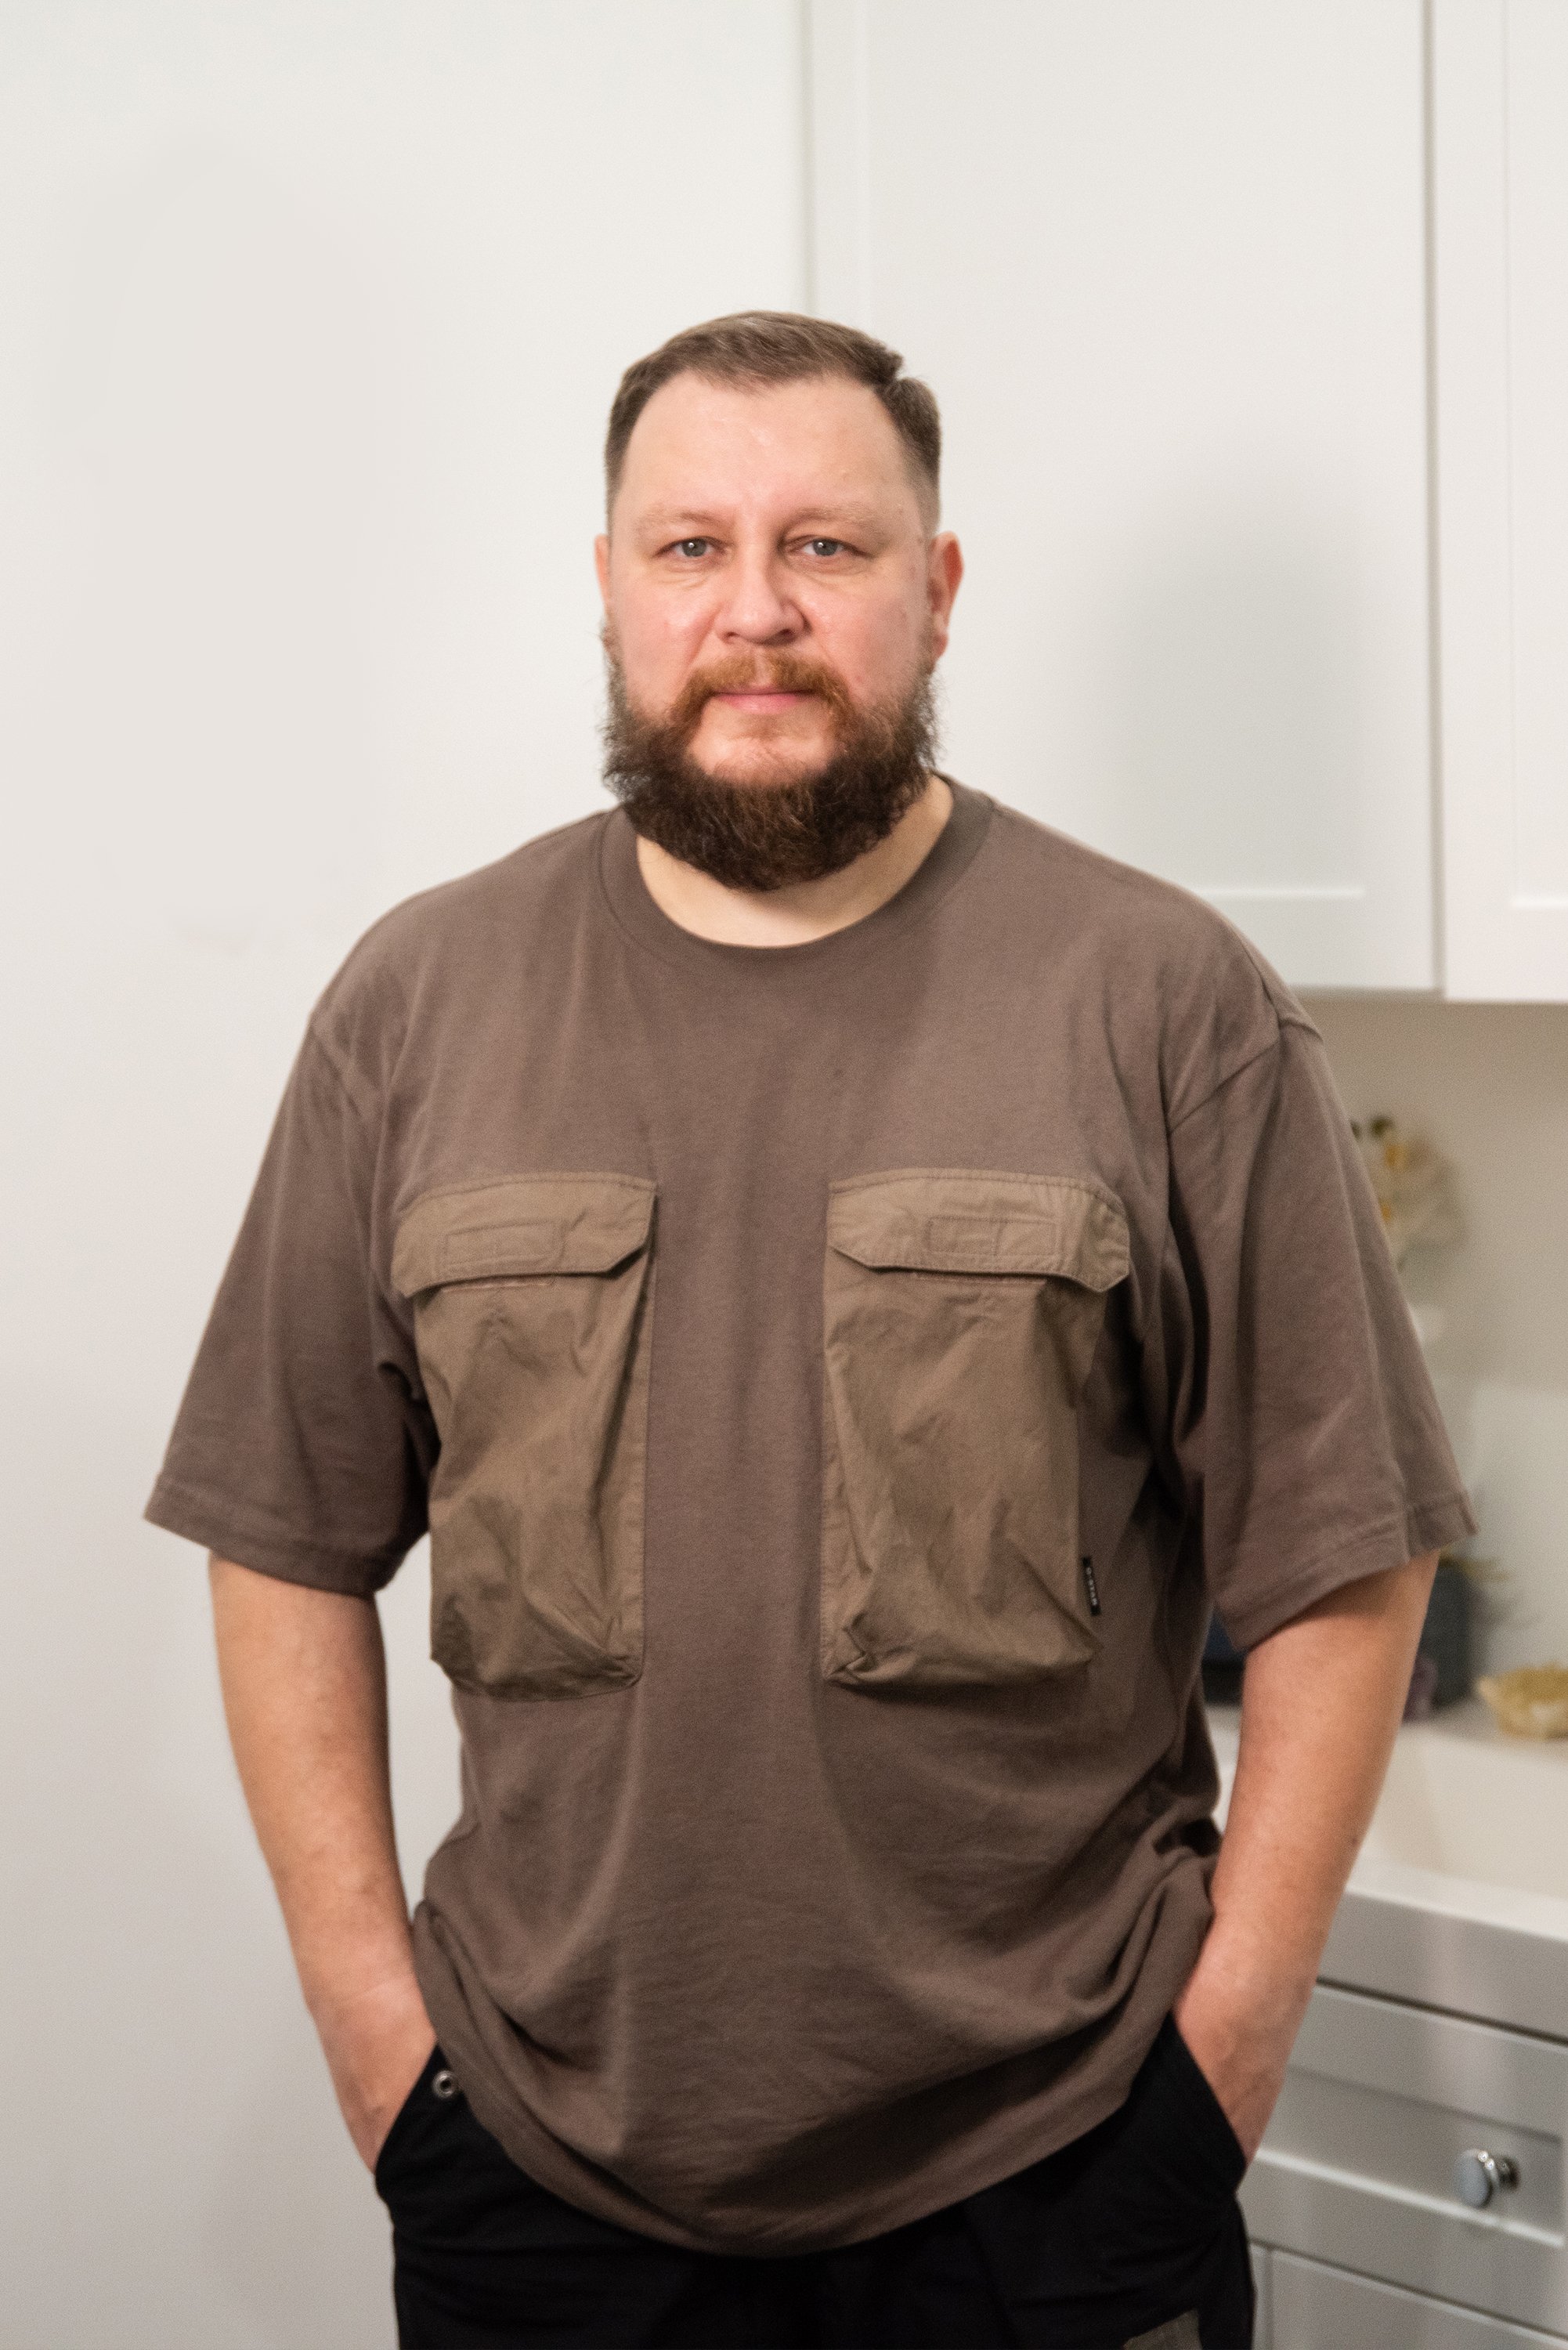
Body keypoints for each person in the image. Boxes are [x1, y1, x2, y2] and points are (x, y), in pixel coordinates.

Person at [146, 312, 1475, 2350]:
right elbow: (280, 1540)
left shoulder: (1158, 1001)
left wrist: (1209, 2081)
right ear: (606, 585)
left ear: (933, 591)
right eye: (687, 548)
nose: (753, 611)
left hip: (1051, 2185)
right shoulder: (417, 1010)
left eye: (826, 550)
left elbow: (1344, 1556)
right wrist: (380, 2054)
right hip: (537, 2190)